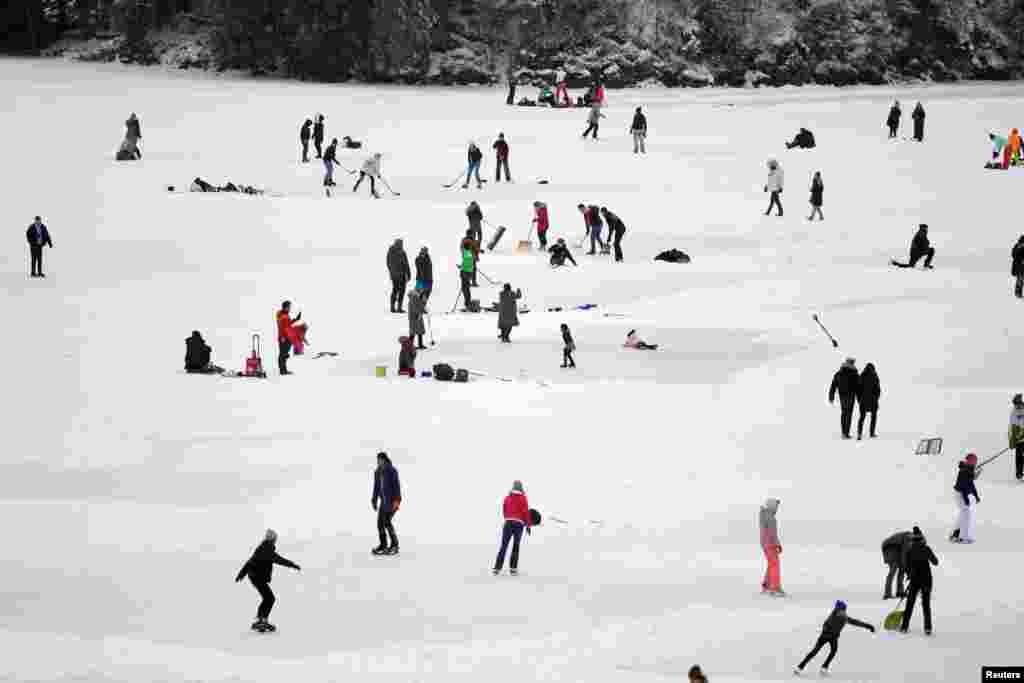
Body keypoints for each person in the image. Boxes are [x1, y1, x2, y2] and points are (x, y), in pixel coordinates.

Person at [235, 529, 301, 632]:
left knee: (267, 598)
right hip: (258, 577)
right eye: (275, 539)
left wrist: (241, 574)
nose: (275, 541)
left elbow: (250, 561)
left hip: (255, 577)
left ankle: (261, 619)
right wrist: (292, 565)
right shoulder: (267, 549)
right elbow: (279, 559)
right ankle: (262, 620)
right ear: (272, 539)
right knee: (270, 598)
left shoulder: (262, 548)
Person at [794, 600, 875, 676]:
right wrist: (826, 630)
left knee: (833, 651)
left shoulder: (844, 617)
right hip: (824, 637)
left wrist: (867, 626)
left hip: (833, 638)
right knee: (814, 652)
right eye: (841, 610)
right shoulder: (833, 616)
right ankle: (800, 667)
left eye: (844, 610)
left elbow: (855, 622)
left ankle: (824, 667)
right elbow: (825, 624)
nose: (843, 612)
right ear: (837, 609)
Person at [900, 526, 938, 635]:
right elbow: (935, 562)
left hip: (914, 580)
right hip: (926, 580)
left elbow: (906, 566)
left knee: (910, 604)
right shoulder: (926, 549)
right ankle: (928, 628)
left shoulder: (909, 551)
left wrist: (910, 574)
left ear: (913, 540)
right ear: (922, 539)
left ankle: (904, 627)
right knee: (926, 605)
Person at [493, 480, 531, 575]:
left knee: (504, 545)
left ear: (513, 487)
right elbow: (525, 512)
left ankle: (497, 568)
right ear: (521, 487)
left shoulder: (507, 497)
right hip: (519, 524)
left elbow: (504, 510)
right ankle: (513, 569)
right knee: (516, 546)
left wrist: (508, 518)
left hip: (508, 523)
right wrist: (528, 525)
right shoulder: (523, 498)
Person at [371, 452, 401, 554]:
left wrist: (397, 501)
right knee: (380, 524)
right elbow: (376, 488)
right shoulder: (377, 472)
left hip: (392, 502)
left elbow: (396, 486)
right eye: (377, 460)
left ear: (384, 459)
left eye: (380, 459)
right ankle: (383, 545)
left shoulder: (392, 470)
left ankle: (394, 545)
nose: (378, 461)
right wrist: (374, 500)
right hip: (383, 502)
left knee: (387, 522)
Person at [949, 454, 980, 543]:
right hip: (959, 493)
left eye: (975, 461)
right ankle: (960, 536)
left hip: (961, 493)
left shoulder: (968, 470)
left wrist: (976, 495)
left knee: (964, 513)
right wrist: (966, 499)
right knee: (965, 513)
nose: (975, 463)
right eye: (973, 461)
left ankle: (956, 534)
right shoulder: (964, 471)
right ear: (969, 462)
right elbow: (964, 487)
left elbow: (971, 484)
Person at [829, 357, 860, 439]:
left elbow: (833, 385)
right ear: (852, 363)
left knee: (844, 413)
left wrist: (831, 396)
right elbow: (858, 386)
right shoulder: (854, 373)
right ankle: (846, 433)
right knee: (849, 414)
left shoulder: (839, 373)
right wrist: (859, 397)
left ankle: (843, 432)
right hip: (851, 396)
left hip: (842, 396)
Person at [759, 498, 783, 596]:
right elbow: (772, 533)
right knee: (775, 564)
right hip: (770, 544)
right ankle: (775, 588)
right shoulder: (770, 517)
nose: (777, 508)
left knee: (771, 564)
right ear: (772, 506)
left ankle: (767, 585)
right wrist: (777, 544)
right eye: (776, 506)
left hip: (765, 543)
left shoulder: (764, 515)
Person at [881, 530, 912, 599]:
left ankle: (899, 592)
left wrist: (908, 570)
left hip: (895, 548)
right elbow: (904, 554)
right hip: (889, 548)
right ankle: (887, 594)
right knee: (893, 569)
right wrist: (905, 568)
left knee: (902, 569)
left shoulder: (910, 541)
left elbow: (907, 557)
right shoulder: (909, 538)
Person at [387, 238, 411, 313]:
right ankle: (395, 307)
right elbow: (389, 263)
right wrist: (393, 272)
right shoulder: (393, 251)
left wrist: (408, 274)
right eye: (400, 243)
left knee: (398, 290)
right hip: (398, 275)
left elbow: (406, 264)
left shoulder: (401, 252)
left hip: (399, 275)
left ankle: (396, 307)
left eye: (401, 243)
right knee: (398, 290)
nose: (401, 245)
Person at [857, 362, 881, 440]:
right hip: (873, 400)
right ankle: (872, 433)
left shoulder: (862, 376)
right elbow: (878, 389)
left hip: (863, 400)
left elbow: (858, 389)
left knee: (862, 417)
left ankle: (859, 433)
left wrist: (859, 399)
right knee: (873, 417)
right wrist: (876, 398)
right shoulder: (875, 376)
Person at [276, 301, 300, 375]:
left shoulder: (283, 315)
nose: (290, 308)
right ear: (286, 307)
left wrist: (295, 319)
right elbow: (281, 328)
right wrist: (283, 337)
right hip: (284, 338)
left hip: (285, 337)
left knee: (283, 354)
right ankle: (283, 371)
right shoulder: (283, 316)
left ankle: (283, 369)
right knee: (283, 354)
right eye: (289, 307)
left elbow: (287, 325)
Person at [465, 202, 483, 285]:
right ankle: (472, 281)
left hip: (473, 227)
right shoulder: (475, 209)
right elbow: (481, 217)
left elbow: (480, 217)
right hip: (470, 256)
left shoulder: (470, 210)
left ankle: (470, 281)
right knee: (472, 268)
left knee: (470, 268)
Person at [459, 233, 477, 309]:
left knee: (464, 288)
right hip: (469, 272)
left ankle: (467, 302)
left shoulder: (465, 253)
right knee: (466, 288)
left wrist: (461, 266)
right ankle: (467, 302)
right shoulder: (471, 253)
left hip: (464, 272)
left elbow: (461, 247)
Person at [1010, 393, 1024, 480]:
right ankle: (1019, 473)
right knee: (1019, 455)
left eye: (1018, 403)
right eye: (1015, 404)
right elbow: (1012, 427)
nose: (1017, 405)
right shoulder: (1014, 413)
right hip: (1019, 439)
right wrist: (1012, 440)